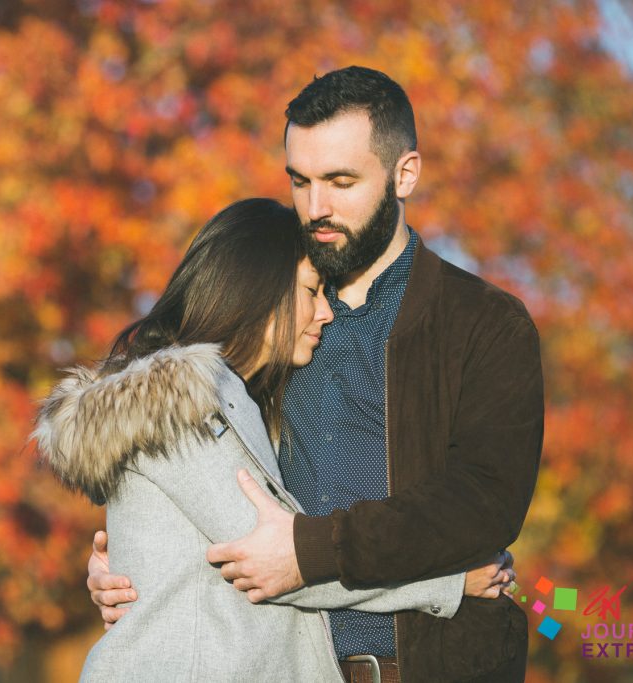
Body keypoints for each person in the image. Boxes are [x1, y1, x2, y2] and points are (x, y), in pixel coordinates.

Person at [88, 67, 543, 682]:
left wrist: (310, 554)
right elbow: (193, 469)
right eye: (300, 181)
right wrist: (137, 559)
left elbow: (483, 502)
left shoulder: (484, 322)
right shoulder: (274, 313)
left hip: (432, 665)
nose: (316, 207)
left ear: (405, 174)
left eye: (341, 181)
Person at [35, 198, 511, 682]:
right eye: (310, 291)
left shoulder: (231, 403)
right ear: (258, 289)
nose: (325, 312)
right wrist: (448, 583)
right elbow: (276, 566)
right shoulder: (183, 406)